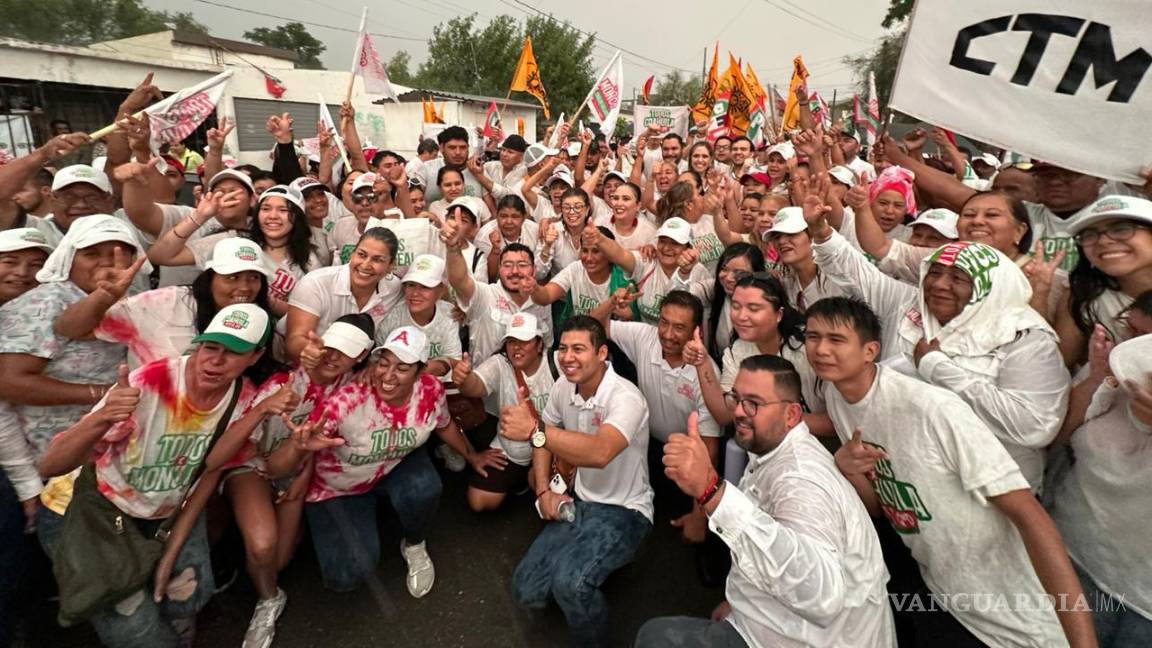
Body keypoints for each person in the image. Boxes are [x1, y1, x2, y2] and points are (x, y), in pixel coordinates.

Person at [806, 297, 1095, 647]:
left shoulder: (933, 409)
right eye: (812, 337)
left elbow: (1031, 517)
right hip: (940, 592)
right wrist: (846, 468)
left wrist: (1082, 643)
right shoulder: (839, 399)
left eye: (836, 340)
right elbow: (883, 507)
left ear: (870, 350)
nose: (820, 349)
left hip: (1013, 619)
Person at [36, 303, 272, 648]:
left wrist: (172, 547)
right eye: (211, 347)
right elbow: (50, 465)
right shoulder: (151, 381)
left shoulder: (244, 400)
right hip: (89, 511)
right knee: (139, 633)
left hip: (161, 514)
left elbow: (208, 475)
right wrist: (99, 421)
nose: (215, 361)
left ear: (255, 356)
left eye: (234, 352)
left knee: (189, 595)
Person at [635, 354, 896, 647]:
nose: (739, 412)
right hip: (771, 619)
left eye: (754, 403)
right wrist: (739, 607)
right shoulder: (771, 449)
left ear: (792, 415)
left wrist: (711, 491)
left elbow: (820, 595)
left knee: (653, 638)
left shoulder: (802, 480)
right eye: (736, 398)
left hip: (808, 639)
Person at [806, 199, 1068, 490]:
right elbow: (857, 272)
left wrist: (937, 367)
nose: (940, 285)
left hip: (988, 497)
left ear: (987, 287)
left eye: (958, 278)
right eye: (934, 273)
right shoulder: (910, 304)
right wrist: (821, 232)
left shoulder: (1024, 336)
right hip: (905, 486)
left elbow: (1033, 426)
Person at [266, 326, 495, 596]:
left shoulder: (430, 390)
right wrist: (297, 446)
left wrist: (472, 455)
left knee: (425, 487)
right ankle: (367, 516)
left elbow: (442, 425)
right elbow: (273, 468)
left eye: (402, 368)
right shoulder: (346, 402)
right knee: (345, 575)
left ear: (420, 372)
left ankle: (413, 543)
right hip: (340, 489)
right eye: (383, 363)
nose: (387, 375)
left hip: (393, 466)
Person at [500, 316, 653, 647]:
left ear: (602, 353)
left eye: (579, 349)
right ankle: (588, 571)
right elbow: (544, 437)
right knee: (525, 590)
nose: (567, 357)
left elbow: (600, 453)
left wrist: (534, 431)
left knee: (571, 585)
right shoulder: (562, 387)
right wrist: (543, 491)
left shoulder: (626, 398)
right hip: (579, 502)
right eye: (563, 348)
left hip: (626, 511)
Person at [225, 315, 374, 648]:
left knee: (279, 560)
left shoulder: (351, 387)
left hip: (297, 465)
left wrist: (304, 473)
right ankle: (267, 600)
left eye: (345, 352)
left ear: (361, 356)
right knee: (263, 546)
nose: (333, 357)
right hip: (251, 463)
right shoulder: (286, 379)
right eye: (329, 347)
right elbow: (260, 455)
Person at [0, 216, 148, 492]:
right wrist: (102, 394)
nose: (106, 263)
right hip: (50, 466)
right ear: (69, 258)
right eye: (92, 254)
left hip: (102, 459)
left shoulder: (132, 298)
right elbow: (9, 383)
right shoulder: (43, 301)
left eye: (121, 253)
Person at [1048, 333, 1152, 647]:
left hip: (1142, 604)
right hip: (1071, 555)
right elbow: (1058, 436)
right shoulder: (1122, 367)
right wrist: (1099, 378)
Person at [54, 237, 274, 369]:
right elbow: (70, 329)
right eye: (232, 277)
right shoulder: (163, 303)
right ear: (209, 278)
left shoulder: (260, 319)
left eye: (253, 277)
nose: (245, 287)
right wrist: (103, 296)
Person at [148, 186, 318, 314]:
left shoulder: (309, 261)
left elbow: (308, 314)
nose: (273, 216)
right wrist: (199, 217)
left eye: (283, 210)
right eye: (266, 209)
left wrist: (265, 299)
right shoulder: (232, 240)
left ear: (297, 218)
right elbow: (160, 256)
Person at [452, 313, 554, 511]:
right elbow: (476, 386)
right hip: (511, 451)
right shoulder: (500, 363)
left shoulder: (556, 365)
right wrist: (464, 379)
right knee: (479, 501)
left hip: (550, 447)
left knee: (545, 486)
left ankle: (532, 478)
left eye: (524, 341)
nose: (516, 347)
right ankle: (519, 480)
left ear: (539, 344)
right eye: (511, 341)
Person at [1057, 195, 1152, 366]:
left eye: (1121, 229)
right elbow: (1057, 369)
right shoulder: (1083, 295)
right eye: (1089, 235)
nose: (1103, 241)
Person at [285, 228, 402, 362]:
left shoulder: (395, 288)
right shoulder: (316, 283)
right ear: (352, 255)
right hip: (306, 367)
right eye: (362, 255)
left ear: (391, 266)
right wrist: (310, 351)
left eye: (377, 260)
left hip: (355, 370)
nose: (366, 265)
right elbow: (293, 342)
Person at [763, 206, 847, 311]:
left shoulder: (839, 277)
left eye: (791, 234)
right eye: (777, 236)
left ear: (812, 235)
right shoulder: (786, 282)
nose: (781, 241)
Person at [706, 243, 766, 360]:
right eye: (724, 269)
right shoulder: (713, 291)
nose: (729, 278)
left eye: (739, 273)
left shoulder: (767, 305)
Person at [413, 126, 482, 203]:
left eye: (463, 147)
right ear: (441, 148)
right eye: (452, 147)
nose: (458, 152)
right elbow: (411, 199)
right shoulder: (426, 169)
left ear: (468, 148)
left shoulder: (479, 170)